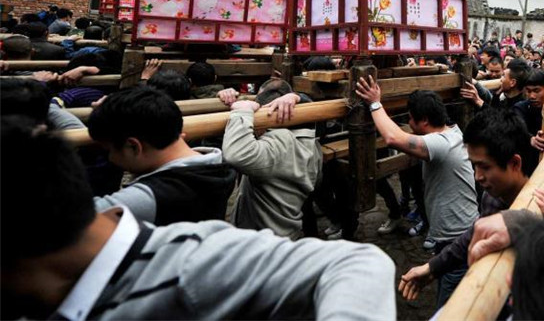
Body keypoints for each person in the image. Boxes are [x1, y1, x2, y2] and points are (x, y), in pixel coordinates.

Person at [0, 128, 396, 321]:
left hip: (271, 233)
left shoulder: (193, 258)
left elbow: (359, 263)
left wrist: (242, 112)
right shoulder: (295, 149)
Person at [397, 109, 544, 308]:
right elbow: (474, 233)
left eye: (485, 167)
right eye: (474, 166)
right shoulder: (490, 198)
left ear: (514, 163)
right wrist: (432, 268)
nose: (477, 177)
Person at [354, 80, 478, 259]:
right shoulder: (453, 132)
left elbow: (392, 138)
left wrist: (375, 103)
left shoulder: (441, 144)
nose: (409, 123)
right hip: (460, 229)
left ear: (425, 120)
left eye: (410, 118)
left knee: (452, 283)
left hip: (456, 235)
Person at [87, 87, 237, 224]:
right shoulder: (218, 165)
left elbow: (71, 217)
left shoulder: (146, 198)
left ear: (134, 146)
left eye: (109, 150)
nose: (111, 158)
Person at [222, 78, 321, 239]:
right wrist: (298, 97)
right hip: (286, 233)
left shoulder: (279, 144)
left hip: (260, 242)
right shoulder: (309, 140)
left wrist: (242, 111)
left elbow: (236, 153)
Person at [514, 68, 544, 135]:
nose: (532, 96)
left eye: (536, 91)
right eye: (528, 91)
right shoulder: (520, 108)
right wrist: (530, 139)